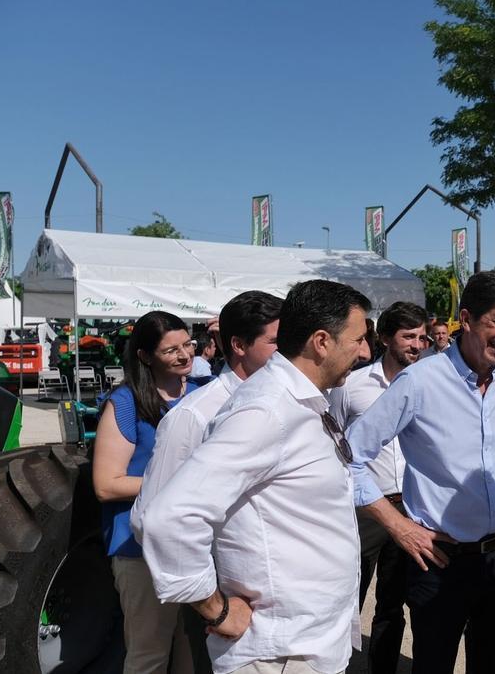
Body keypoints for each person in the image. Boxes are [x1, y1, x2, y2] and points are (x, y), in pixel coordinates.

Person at [139, 280, 371, 673]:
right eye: (358, 339)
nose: (364, 352)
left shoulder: (303, 402)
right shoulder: (267, 411)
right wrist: (215, 609)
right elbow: (169, 517)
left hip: (307, 645)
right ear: (321, 342)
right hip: (277, 655)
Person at [346, 271, 495, 674]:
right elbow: (350, 457)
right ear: (467, 319)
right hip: (440, 564)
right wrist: (400, 527)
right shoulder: (419, 382)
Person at [131, 291, 281, 674]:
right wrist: (214, 607)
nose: (289, 352)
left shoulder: (287, 404)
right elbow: (153, 517)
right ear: (238, 346)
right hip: (224, 604)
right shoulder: (195, 416)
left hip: (273, 605)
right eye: (278, 342)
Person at [92, 310, 202, 673]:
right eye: (171, 350)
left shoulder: (204, 394)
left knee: (194, 649)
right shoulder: (124, 403)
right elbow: (107, 485)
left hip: (196, 545)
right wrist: (180, 484)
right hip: (139, 549)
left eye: (188, 344)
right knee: (149, 653)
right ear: (145, 356)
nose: (184, 355)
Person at [329, 301, 428, 674]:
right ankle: (338, 665)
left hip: (412, 508)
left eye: (421, 337)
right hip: (364, 508)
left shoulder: (430, 384)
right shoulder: (352, 386)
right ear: (385, 338)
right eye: (408, 336)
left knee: (394, 603)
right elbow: (336, 442)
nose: (417, 345)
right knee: (347, 594)